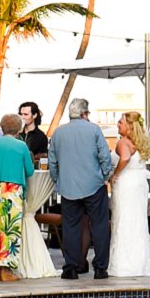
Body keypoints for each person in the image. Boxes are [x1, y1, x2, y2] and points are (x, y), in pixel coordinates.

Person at [48, 97, 114, 282]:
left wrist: (58, 180)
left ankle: (71, 267)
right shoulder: (94, 129)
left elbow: (52, 161)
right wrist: (105, 176)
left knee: (70, 227)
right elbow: (105, 156)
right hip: (94, 185)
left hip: (68, 187)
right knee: (99, 225)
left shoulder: (58, 133)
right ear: (85, 113)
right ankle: (100, 268)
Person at [0, 111, 35, 281]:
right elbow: (29, 170)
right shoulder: (21, 146)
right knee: (10, 229)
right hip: (13, 190)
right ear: (18, 129)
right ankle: (6, 270)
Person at [107, 116, 150, 278]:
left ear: (129, 126)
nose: (118, 124)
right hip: (139, 182)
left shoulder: (123, 142)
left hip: (126, 183)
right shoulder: (139, 142)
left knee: (124, 220)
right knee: (138, 221)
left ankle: (125, 265)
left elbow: (125, 158)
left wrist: (115, 175)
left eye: (121, 122)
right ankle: (141, 263)